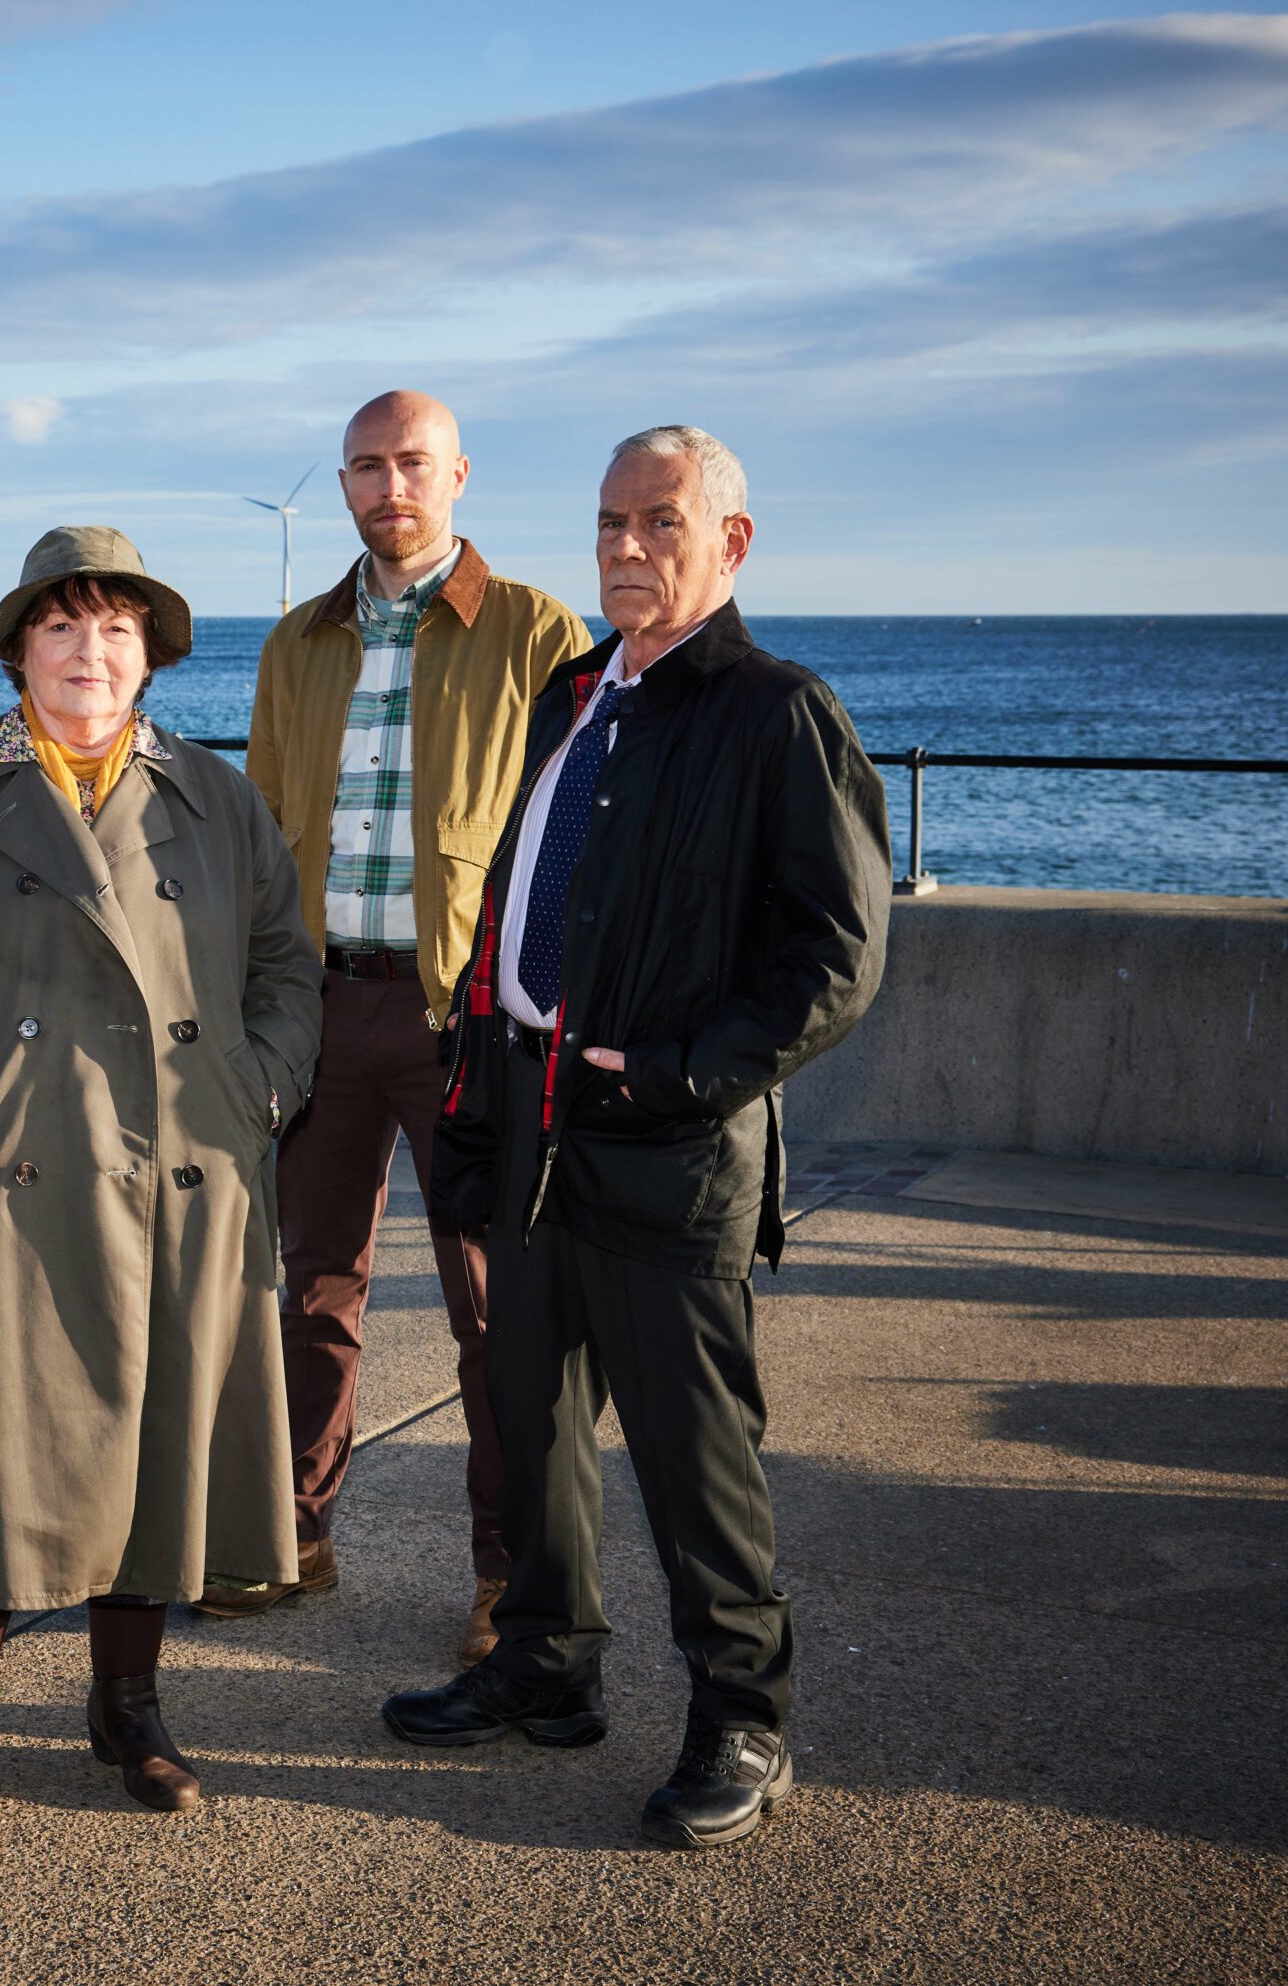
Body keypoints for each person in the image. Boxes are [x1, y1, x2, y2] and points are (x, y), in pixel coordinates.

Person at [380, 426, 891, 1850]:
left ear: (731, 542)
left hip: (673, 1143)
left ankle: (743, 1713)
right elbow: (511, 909)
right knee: (530, 1420)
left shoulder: (778, 713)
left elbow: (838, 955)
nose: (623, 546)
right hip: (536, 1112)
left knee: (691, 1451)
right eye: (608, 520)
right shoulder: (572, 694)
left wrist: (679, 1071)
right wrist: (483, 1098)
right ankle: (544, 1666)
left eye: (659, 521)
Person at [0, 526, 323, 1834]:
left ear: (152, 653)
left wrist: (255, 1095)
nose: (90, 652)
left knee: (151, 1441)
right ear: (17, 650)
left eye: (116, 629)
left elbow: (287, 966)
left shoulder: (218, 800)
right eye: (63, 627)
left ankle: (130, 1704)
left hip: (172, 1174)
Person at [209, 390, 591, 1666]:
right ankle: (294, 1533)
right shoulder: (293, 642)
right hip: (321, 1005)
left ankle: (504, 1573)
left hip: (462, 1015)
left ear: (461, 474)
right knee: (309, 1288)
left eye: (412, 462)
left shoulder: (536, 629)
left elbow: (573, 832)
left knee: (492, 1301)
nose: (390, 486)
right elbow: (261, 832)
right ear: (341, 482)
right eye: (366, 466)